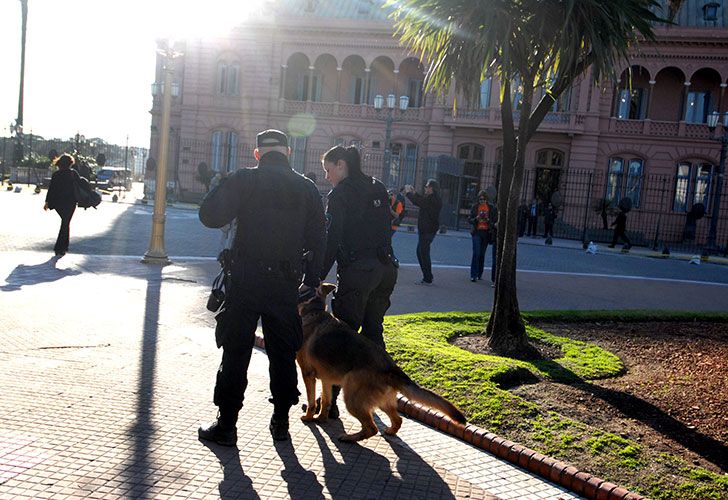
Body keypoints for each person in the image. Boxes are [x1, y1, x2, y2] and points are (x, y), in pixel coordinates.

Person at [197, 129, 326, 445]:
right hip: (284, 285)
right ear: (288, 153)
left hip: (245, 281)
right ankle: (280, 422)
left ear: (258, 154)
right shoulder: (307, 188)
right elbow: (318, 239)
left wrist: (220, 184)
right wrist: (310, 281)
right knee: (282, 354)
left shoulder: (245, 179)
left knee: (236, 351)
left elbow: (209, 217)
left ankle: (226, 426)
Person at [319, 145, 398, 417]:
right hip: (386, 270)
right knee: (374, 335)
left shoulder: (340, 194)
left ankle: (329, 406)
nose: (327, 176)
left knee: (342, 339)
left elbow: (332, 239)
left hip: (358, 273)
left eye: (329, 170)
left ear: (341, 165)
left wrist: (317, 275)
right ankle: (386, 399)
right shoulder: (377, 187)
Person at [405, 179, 442, 285]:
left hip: (428, 230)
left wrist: (408, 193)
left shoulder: (434, 200)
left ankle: (427, 278)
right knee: (421, 252)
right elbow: (421, 200)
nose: (425, 188)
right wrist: (414, 192)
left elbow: (419, 202)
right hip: (426, 230)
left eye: (427, 186)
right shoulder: (431, 198)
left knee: (423, 252)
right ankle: (427, 276)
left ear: (432, 188)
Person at [43, 154, 78, 257]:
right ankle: (61, 247)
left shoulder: (56, 174)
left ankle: (61, 247)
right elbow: (80, 185)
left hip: (58, 203)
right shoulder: (73, 174)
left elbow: (51, 190)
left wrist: (47, 202)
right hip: (70, 202)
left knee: (65, 222)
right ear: (70, 163)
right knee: (66, 223)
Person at [468, 190, 495, 282]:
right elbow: (469, 219)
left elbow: (493, 222)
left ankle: (479, 273)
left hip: (486, 233)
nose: (482, 201)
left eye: (483, 199)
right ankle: (473, 275)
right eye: (480, 199)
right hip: (477, 232)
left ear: (486, 199)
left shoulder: (491, 208)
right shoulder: (475, 207)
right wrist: (476, 218)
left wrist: (487, 220)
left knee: (482, 255)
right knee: (476, 253)